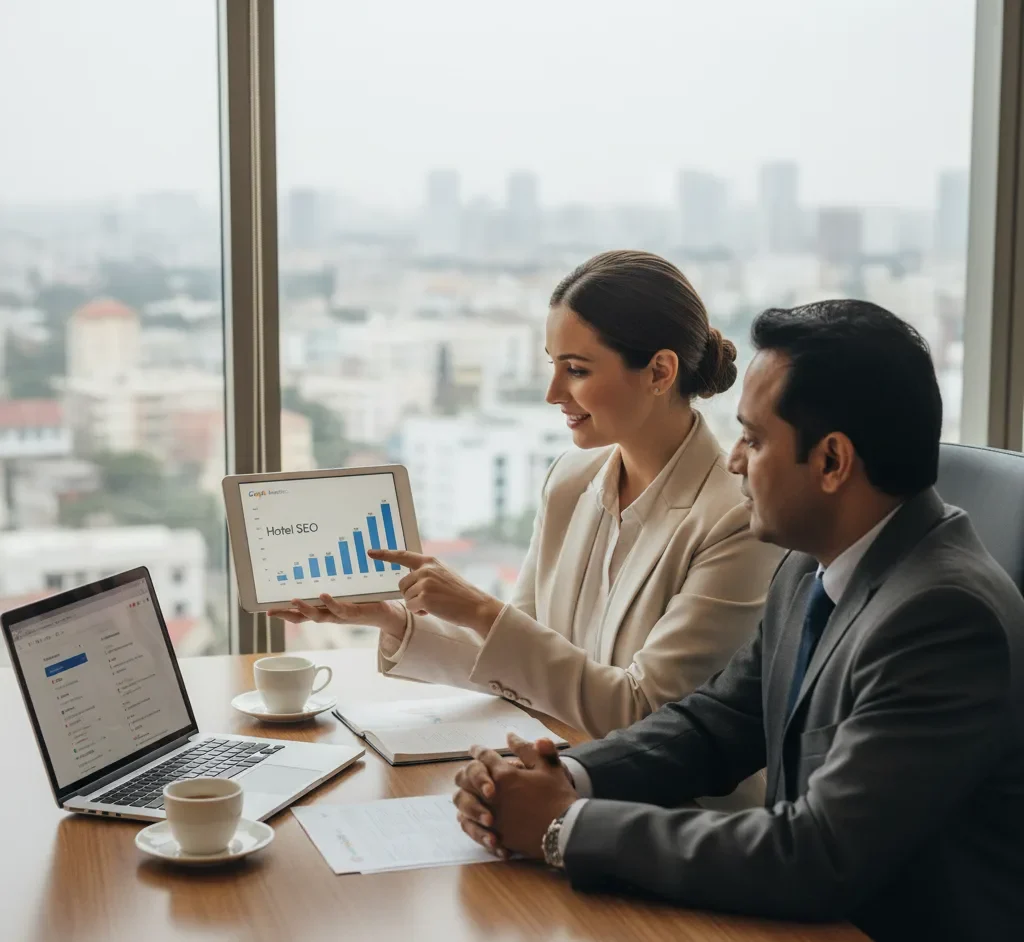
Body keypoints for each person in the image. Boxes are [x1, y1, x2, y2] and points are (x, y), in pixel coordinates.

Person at [451, 299, 1024, 942]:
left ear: (832, 462)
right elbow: (717, 723)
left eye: (753, 439)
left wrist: (566, 826)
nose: (734, 461)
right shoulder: (811, 566)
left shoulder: (943, 618)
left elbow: (817, 854)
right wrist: (563, 776)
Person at [271, 251, 781, 771]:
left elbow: (645, 712)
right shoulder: (570, 480)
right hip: (563, 772)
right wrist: (390, 618)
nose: (552, 393)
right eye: (553, 365)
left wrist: (480, 610)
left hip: (671, 812)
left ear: (659, 371)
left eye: (576, 370)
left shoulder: (734, 519)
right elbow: (521, 662)